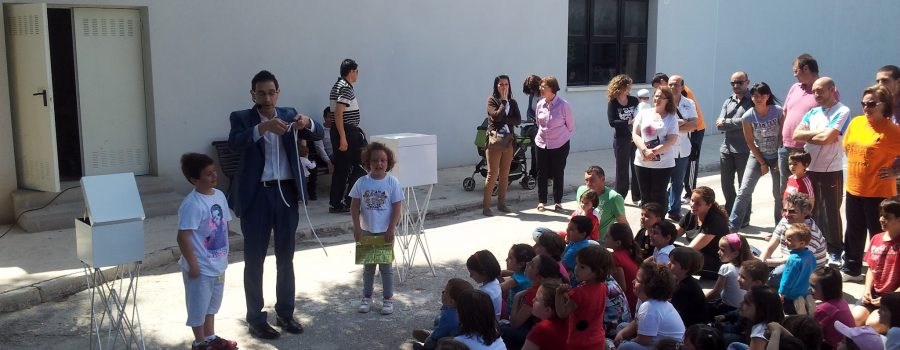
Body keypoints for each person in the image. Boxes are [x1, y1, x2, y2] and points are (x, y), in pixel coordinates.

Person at [228, 70, 323, 339]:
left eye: (271, 92)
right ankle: (256, 318)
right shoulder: (241, 118)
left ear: (278, 92)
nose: (267, 97)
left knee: (286, 257)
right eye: (261, 93)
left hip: (286, 195)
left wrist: (308, 123)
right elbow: (235, 143)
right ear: (253, 95)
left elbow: (317, 132)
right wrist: (262, 128)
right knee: (254, 259)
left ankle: (285, 313)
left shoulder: (288, 112)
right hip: (257, 196)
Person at [176, 153, 239, 350]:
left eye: (214, 172)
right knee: (198, 306)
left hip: (217, 263)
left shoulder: (219, 195)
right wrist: (193, 265)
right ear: (194, 179)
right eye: (208, 174)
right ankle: (200, 343)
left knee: (212, 305)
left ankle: (210, 337)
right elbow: (183, 237)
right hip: (201, 267)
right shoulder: (192, 204)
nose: (214, 176)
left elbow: (224, 226)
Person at [841, 85, 900, 282]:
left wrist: (895, 172)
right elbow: (847, 148)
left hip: (879, 191)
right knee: (853, 230)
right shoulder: (856, 123)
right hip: (854, 187)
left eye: (872, 104)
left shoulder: (893, 131)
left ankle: (881, 274)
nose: (866, 108)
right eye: (863, 103)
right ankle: (852, 268)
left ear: (884, 105)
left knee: (879, 234)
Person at [792, 77, 851, 265]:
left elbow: (828, 138)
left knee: (831, 211)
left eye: (821, 90)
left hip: (830, 170)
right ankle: (814, 246)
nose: (816, 94)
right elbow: (796, 135)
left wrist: (817, 136)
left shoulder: (842, 111)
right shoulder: (813, 112)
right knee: (811, 210)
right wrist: (819, 135)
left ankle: (835, 250)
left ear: (832, 89)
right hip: (810, 169)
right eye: (814, 91)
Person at [350, 142, 404, 315]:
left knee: (386, 268)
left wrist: (391, 229)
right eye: (375, 160)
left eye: (383, 160)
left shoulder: (392, 182)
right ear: (368, 162)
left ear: (388, 163)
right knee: (368, 267)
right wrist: (357, 228)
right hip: (366, 231)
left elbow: (397, 207)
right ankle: (367, 297)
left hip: (384, 233)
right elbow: (354, 206)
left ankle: (388, 299)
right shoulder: (361, 182)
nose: (379, 164)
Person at [728, 82, 783, 232]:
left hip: (777, 156)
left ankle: (779, 229)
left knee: (779, 194)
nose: (757, 98)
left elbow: (782, 136)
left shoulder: (778, 111)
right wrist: (762, 163)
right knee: (744, 190)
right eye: (754, 95)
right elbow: (750, 142)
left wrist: (779, 158)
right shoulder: (748, 116)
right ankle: (732, 228)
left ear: (768, 96)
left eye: (761, 95)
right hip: (757, 156)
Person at [779, 54, 829, 192]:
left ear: (806, 68)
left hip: (807, 149)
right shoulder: (795, 87)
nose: (794, 75)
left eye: (796, 71)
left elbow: (830, 117)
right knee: (786, 189)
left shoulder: (825, 89)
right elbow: (785, 113)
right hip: (786, 147)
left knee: (810, 190)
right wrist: (780, 139)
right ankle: (785, 214)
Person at [850, 198, 900, 332]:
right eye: (881, 215)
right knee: (853, 319)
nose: (881, 219)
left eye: (887, 217)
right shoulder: (876, 238)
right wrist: (866, 290)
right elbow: (871, 269)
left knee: (871, 325)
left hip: (894, 298)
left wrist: (887, 299)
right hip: (874, 294)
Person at [760, 193, 828, 285]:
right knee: (752, 252)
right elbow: (770, 248)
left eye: (792, 211)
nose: (787, 214)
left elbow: (792, 260)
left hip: (806, 272)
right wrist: (759, 262)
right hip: (786, 262)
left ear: (805, 213)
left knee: (776, 275)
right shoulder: (785, 221)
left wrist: (763, 263)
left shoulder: (809, 233)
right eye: (785, 210)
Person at [614, 263, 686, 350]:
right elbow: (637, 321)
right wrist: (622, 334)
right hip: (655, 340)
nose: (633, 281)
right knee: (622, 327)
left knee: (626, 347)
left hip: (666, 347)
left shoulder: (650, 307)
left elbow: (644, 341)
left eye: (637, 280)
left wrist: (628, 342)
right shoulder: (647, 300)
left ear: (649, 286)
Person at [329, 58, 367, 214]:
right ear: (351, 72)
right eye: (357, 72)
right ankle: (346, 201)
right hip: (346, 132)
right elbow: (339, 113)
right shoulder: (345, 88)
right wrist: (343, 137)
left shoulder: (339, 85)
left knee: (343, 168)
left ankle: (338, 202)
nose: (357, 75)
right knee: (361, 165)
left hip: (344, 131)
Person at [555, 245, 612, 350]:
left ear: (597, 272)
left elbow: (562, 313)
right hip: (598, 339)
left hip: (579, 342)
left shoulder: (579, 293)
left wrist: (558, 294)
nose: (576, 269)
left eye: (582, 267)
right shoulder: (603, 287)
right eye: (576, 264)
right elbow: (587, 305)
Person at [632, 87, 680, 209]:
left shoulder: (671, 117)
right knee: (645, 196)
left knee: (658, 196)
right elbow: (635, 134)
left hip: (663, 164)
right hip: (642, 161)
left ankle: (659, 225)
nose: (657, 99)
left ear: (667, 100)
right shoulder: (644, 113)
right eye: (656, 96)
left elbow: (671, 140)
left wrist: (655, 151)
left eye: (661, 97)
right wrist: (645, 150)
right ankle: (646, 223)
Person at [502, 254, 563, 349]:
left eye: (532, 265)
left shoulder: (536, 292)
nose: (527, 263)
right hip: (549, 331)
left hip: (532, 333)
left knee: (501, 329)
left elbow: (515, 323)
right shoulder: (555, 285)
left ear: (539, 277)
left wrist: (517, 298)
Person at [717, 72, 754, 224]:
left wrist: (727, 122)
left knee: (743, 186)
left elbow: (747, 121)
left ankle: (743, 217)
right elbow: (719, 123)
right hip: (727, 148)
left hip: (744, 149)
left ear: (747, 82)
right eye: (733, 83)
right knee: (726, 183)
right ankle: (731, 212)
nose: (736, 86)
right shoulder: (729, 100)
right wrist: (731, 123)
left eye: (739, 82)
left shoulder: (752, 100)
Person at [534, 76, 574, 212]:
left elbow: (570, 126)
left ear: (552, 89)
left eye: (544, 86)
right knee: (541, 172)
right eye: (541, 86)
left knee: (558, 172)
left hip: (560, 143)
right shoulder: (539, 104)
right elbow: (538, 123)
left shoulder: (564, 105)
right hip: (541, 143)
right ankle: (542, 201)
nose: (541, 89)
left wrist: (560, 137)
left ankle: (558, 201)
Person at [483, 74, 522, 216]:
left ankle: (501, 204)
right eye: (501, 84)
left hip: (508, 141)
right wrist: (503, 103)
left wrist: (504, 119)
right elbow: (496, 117)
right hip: (494, 141)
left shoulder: (514, 102)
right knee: (492, 174)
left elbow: (517, 120)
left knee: (505, 174)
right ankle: (486, 207)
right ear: (496, 86)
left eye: (506, 84)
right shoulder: (492, 100)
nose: (504, 87)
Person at [666, 75, 699, 222]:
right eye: (671, 84)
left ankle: (674, 210)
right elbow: (663, 126)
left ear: (682, 86)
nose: (673, 87)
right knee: (663, 180)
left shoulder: (689, 103)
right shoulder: (663, 102)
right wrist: (682, 123)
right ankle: (663, 206)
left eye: (676, 84)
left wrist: (677, 124)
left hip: (683, 149)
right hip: (666, 148)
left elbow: (694, 125)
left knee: (678, 182)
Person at [680, 186, 730, 279]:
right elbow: (671, 234)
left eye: (698, 203)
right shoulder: (692, 213)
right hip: (700, 256)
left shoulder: (715, 221)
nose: (692, 205)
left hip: (716, 264)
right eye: (691, 200)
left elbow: (690, 249)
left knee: (681, 257)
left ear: (709, 205)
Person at [412, 278, 475, 350]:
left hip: (449, 340)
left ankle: (426, 342)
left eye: (445, 292)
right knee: (438, 319)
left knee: (430, 342)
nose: (442, 293)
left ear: (452, 301)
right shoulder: (466, 308)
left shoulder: (448, 315)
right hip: (455, 333)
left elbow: (440, 333)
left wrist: (432, 336)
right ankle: (430, 333)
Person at [608, 74, 642, 203]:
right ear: (621, 87)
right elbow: (612, 122)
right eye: (627, 86)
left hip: (635, 138)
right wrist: (628, 122)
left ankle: (637, 197)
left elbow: (641, 116)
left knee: (636, 167)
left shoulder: (634, 100)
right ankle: (620, 197)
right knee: (622, 170)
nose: (629, 89)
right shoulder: (613, 103)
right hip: (621, 139)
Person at [575, 166, 629, 242]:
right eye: (586, 180)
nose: (588, 184)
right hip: (578, 237)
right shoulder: (581, 190)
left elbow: (623, 223)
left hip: (597, 243)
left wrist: (631, 243)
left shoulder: (614, 197)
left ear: (602, 179)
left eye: (592, 180)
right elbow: (579, 211)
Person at [706, 234, 753, 316]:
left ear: (735, 253)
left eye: (722, 250)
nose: (718, 252)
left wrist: (701, 300)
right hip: (745, 309)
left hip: (728, 308)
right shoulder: (751, 268)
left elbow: (716, 292)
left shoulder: (726, 268)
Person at [727, 286, 785, 350]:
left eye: (746, 302)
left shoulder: (759, 333)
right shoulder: (766, 323)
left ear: (761, 310)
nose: (741, 303)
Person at [811, 267, 855, 350]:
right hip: (849, 345)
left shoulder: (823, 309)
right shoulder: (842, 301)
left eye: (813, 286)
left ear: (827, 289)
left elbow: (814, 334)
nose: (810, 289)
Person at [778, 224, 817, 315]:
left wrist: (781, 293)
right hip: (805, 293)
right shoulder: (810, 255)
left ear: (802, 243)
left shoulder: (794, 259)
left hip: (791, 296)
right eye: (786, 238)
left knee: (791, 317)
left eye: (789, 240)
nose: (786, 241)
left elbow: (787, 278)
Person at [669, 246, 711, 328]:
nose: (668, 264)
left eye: (673, 262)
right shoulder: (682, 281)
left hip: (691, 326)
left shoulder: (684, 288)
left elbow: (676, 312)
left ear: (686, 268)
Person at [875, 65, 900, 197]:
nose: (880, 85)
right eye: (877, 81)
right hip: (881, 177)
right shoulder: (880, 107)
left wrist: (897, 172)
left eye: (884, 81)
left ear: (898, 82)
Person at [522, 281, 568, 350]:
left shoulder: (541, 329)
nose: (532, 300)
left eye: (537, 299)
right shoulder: (571, 320)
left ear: (548, 310)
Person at [606, 222, 640, 313]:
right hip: (635, 302)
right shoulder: (629, 252)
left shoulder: (615, 257)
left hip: (627, 306)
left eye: (607, 236)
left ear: (617, 243)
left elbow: (621, 288)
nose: (604, 238)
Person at [306, 107, 335, 201]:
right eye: (329, 117)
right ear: (324, 117)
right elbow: (320, 149)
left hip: (338, 156)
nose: (331, 120)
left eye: (333, 117)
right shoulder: (320, 130)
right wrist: (329, 162)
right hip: (326, 157)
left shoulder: (338, 129)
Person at [466, 250, 503, 320]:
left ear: (484, 272)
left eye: (472, 273)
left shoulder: (484, 294)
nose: (470, 276)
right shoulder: (495, 282)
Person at [501, 244, 536, 317]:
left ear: (520, 264)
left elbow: (498, 288)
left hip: (512, 314)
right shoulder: (526, 274)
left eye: (510, 258)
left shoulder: (516, 280)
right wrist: (503, 273)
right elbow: (512, 273)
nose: (506, 260)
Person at [562, 216, 594, 285]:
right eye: (568, 227)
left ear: (583, 234)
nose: (567, 230)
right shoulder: (580, 241)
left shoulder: (576, 249)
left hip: (570, 283)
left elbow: (561, 265)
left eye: (571, 229)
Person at [522, 74, 542, 178]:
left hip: (545, 128)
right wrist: (529, 117)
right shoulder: (532, 96)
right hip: (535, 125)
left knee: (542, 152)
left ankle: (546, 176)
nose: (531, 92)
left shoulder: (545, 95)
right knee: (534, 149)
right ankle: (533, 173)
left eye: (532, 90)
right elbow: (530, 109)